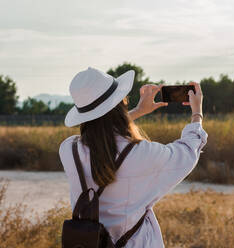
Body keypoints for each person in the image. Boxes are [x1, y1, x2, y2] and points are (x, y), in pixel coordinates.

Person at [59, 67, 208, 247]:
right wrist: (197, 113)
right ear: (121, 102)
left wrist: (138, 111)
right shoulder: (141, 154)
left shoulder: (69, 150)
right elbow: (186, 153)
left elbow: (102, 132)